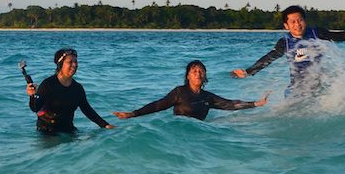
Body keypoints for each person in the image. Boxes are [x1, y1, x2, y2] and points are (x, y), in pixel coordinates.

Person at [231, 5, 345, 92]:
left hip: (319, 87)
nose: (297, 25)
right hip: (296, 89)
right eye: (293, 22)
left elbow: (341, 36)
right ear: (286, 25)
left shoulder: (317, 33)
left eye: (300, 20)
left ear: (305, 21)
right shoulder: (285, 43)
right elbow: (268, 59)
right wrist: (248, 72)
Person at [113, 60, 268, 122]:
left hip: (199, 131)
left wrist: (256, 103)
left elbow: (230, 105)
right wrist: (133, 114)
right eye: (194, 71)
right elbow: (158, 105)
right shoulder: (179, 92)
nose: (198, 74)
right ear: (188, 76)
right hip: (179, 130)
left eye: (201, 71)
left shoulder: (207, 97)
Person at [27, 48, 115, 133]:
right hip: (47, 131)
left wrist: (105, 125)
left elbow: (87, 109)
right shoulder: (48, 85)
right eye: (70, 62)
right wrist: (32, 96)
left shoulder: (77, 88)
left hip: (69, 130)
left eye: (76, 62)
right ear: (60, 65)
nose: (74, 65)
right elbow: (35, 108)